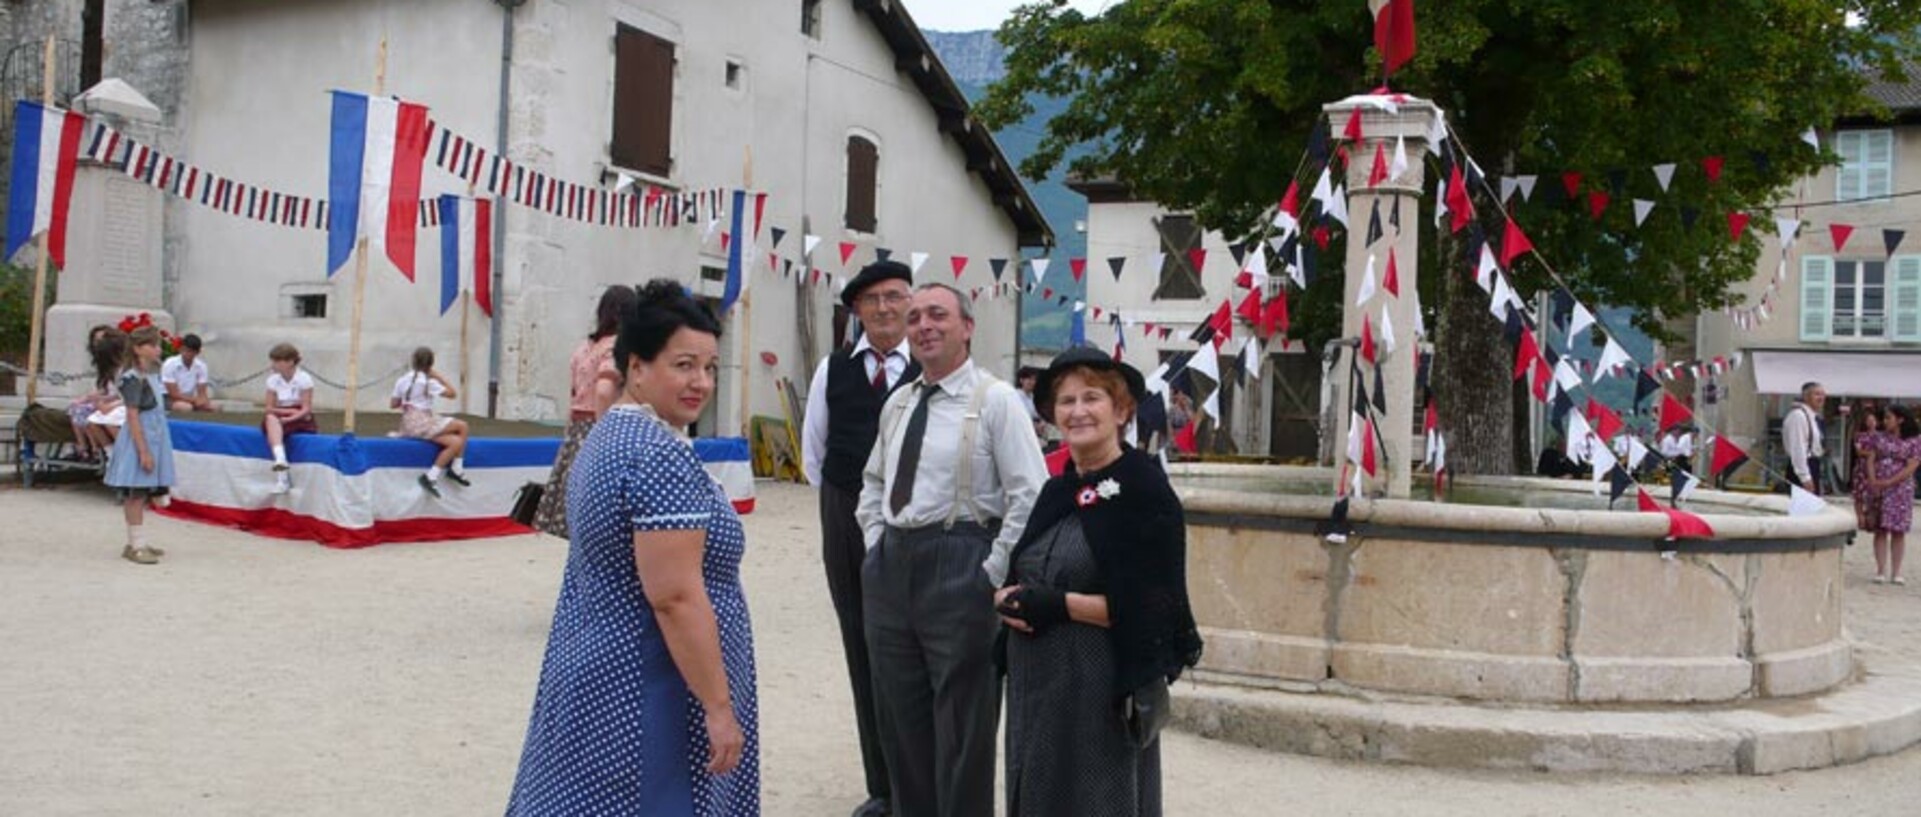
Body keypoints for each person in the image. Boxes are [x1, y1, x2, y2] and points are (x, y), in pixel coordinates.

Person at [507, 279, 758, 814]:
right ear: (637, 367)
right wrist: (717, 706)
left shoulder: (607, 436)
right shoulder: (656, 455)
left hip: (597, 665)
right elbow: (675, 596)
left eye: (710, 368)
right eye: (684, 364)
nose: (701, 382)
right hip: (650, 684)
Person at [856, 282, 1047, 817]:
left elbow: (1029, 493)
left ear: (967, 326)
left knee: (964, 727)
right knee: (900, 720)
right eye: (914, 317)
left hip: (962, 557)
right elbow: (872, 481)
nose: (923, 326)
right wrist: (876, 544)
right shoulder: (899, 401)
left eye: (937, 314)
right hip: (893, 565)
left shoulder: (997, 400)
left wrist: (990, 569)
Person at [996, 347, 1203, 816]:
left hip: (1100, 685)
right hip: (1038, 683)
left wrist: (1058, 605)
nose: (1078, 412)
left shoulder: (1144, 490)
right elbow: (1026, 570)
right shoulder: (1056, 490)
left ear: (1122, 409)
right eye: (1066, 402)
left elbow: (1156, 607)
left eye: (1092, 398)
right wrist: (1007, 598)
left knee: (1096, 798)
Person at [800, 260, 918, 817]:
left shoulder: (931, 367)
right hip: (845, 510)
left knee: (915, 649)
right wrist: (845, 504)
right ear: (858, 311)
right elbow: (813, 453)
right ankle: (882, 785)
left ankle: (918, 781)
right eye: (872, 300)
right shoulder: (833, 369)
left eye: (894, 297)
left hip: (915, 519)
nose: (885, 308)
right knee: (860, 643)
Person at [535, 284, 636, 540]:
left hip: (577, 429)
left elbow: (573, 392)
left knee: (578, 506)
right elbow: (604, 390)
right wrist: (606, 431)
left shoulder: (584, 347)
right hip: (597, 424)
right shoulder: (616, 346)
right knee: (601, 509)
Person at [102, 326, 177, 565]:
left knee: (143, 492)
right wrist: (143, 450)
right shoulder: (132, 379)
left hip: (155, 435)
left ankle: (139, 541)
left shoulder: (151, 375)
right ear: (137, 349)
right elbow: (133, 415)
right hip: (141, 438)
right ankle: (136, 544)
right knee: (135, 493)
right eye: (152, 345)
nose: (157, 349)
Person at [390, 347, 471, 498]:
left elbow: (393, 404)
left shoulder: (402, 380)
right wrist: (438, 376)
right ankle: (457, 467)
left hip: (408, 423)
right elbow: (452, 394)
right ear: (430, 364)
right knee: (462, 426)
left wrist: (409, 399)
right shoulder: (428, 382)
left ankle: (431, 476)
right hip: (422, 421)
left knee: (456, 442)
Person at [1868, 405, 1921, 586]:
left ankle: (1897, 572)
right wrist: (1874, 480)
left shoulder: (1914, 440)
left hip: (1901, 489)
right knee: (1880, 529)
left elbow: (1912, 466)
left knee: (1898, 531)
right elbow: (1870, 459)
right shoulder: (1879, 437)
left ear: (1900, 419)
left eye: (1889, 418)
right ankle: (1881, 570)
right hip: (1879, 487)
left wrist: (1889, 482)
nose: (1885, 421)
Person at [262, 343, 317, 495]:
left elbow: (306, 408)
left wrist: (292, 414)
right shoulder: (273, 380)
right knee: (271, 418)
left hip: (300, 414)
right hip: (282, 412)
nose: (273, 365)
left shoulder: (304, 378)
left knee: (274, 420)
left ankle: (282, 474)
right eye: (274, 361)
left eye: (277, 361)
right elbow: (269, 407)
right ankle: (280, 462)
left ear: (290, 362)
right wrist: (286, 412)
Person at [67, 326, 125, 461]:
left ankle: (111, 452)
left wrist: (108, 403)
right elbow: (107, 388)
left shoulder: (125, 369)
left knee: (104, 419)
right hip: (113, 401)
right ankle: (95, 450)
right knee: (83, 413)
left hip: (121, 404)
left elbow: (124, 395)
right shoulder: (109, 368)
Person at [1783, 381, 1827, 494]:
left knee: (1812, 509)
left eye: (1823, 394)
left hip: (1812, 465)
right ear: (1806, 397)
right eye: (1817, 394)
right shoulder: (1798, 416)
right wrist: (1805, 477)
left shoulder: (1812, 417)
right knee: (1802, 510)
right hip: (1802, 468)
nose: (1821, 398)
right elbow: (1798, 448)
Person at [1853, 404, 1885, 555]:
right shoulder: (1860, 435)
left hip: (1876, 469)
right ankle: (1860, 517)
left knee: (1873, 493)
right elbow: (1859, 451)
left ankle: (1871, 518)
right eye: (1868, 420)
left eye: (1873, 420)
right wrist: (1871, 454)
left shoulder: (1881, 436)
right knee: (1859, 493)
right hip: (1862, 468)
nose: (1871, 422)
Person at [161, 333, 218, 413]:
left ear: (197, 352)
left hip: (189, 397)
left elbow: (202, 392)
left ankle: (203, 424)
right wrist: (195, 400)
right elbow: (173, 394)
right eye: (185, 350)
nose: (187, 354)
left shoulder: (201, 366)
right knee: (186, 408)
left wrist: (203, 401)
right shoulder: (170, 363)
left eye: (191, 351)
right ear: (180, 349)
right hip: (167, 398)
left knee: (214, 407)